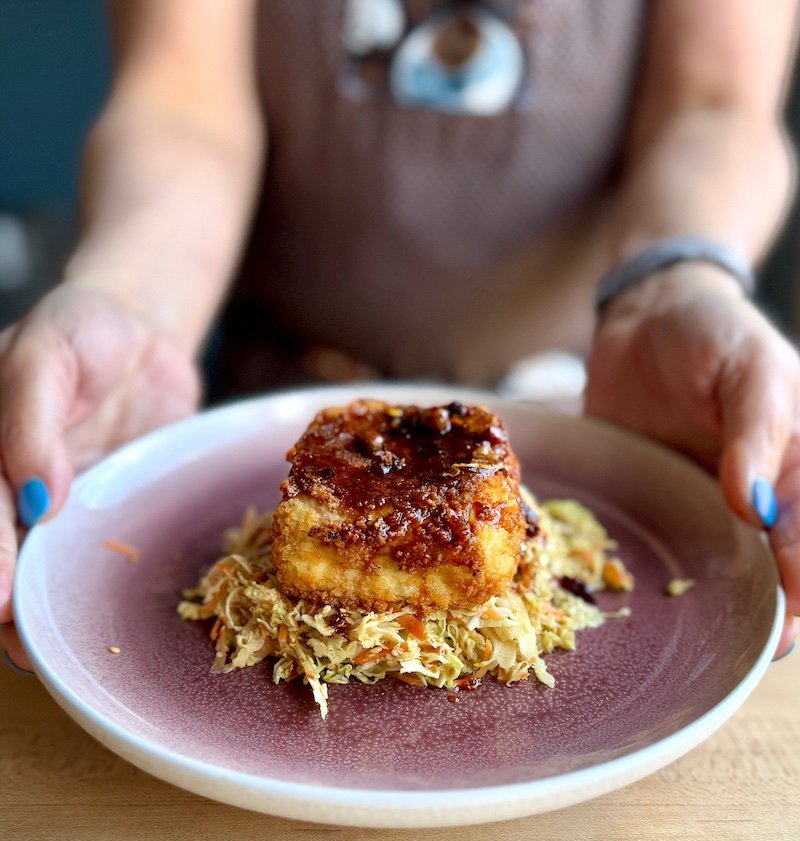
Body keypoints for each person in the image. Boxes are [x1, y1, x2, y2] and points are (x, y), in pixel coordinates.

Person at [1, 0, 799, 671]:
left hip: (599, 405)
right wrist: (127, 305)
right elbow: (182, 104)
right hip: (266, 401)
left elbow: (717, 106)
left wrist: (673, 285)